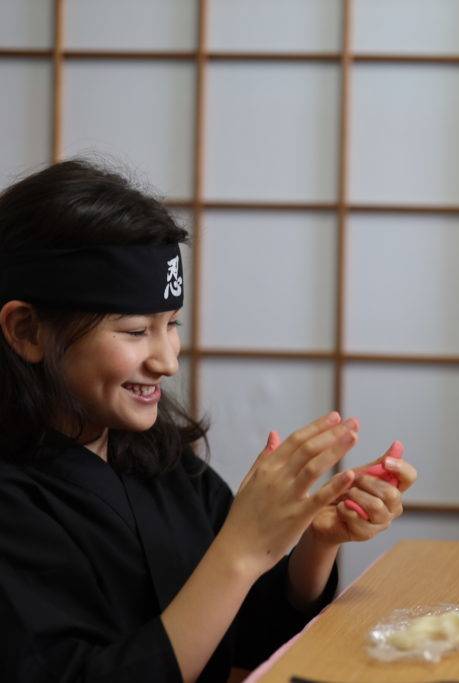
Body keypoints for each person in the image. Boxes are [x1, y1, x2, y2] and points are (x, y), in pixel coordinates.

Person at [0, 160, 418, 682]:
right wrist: (240, 550)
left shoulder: (155, 456)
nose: (167, 359)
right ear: (26, 330)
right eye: (134, 331)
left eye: (170, 325)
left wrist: (316, 541)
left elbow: (250, 630)